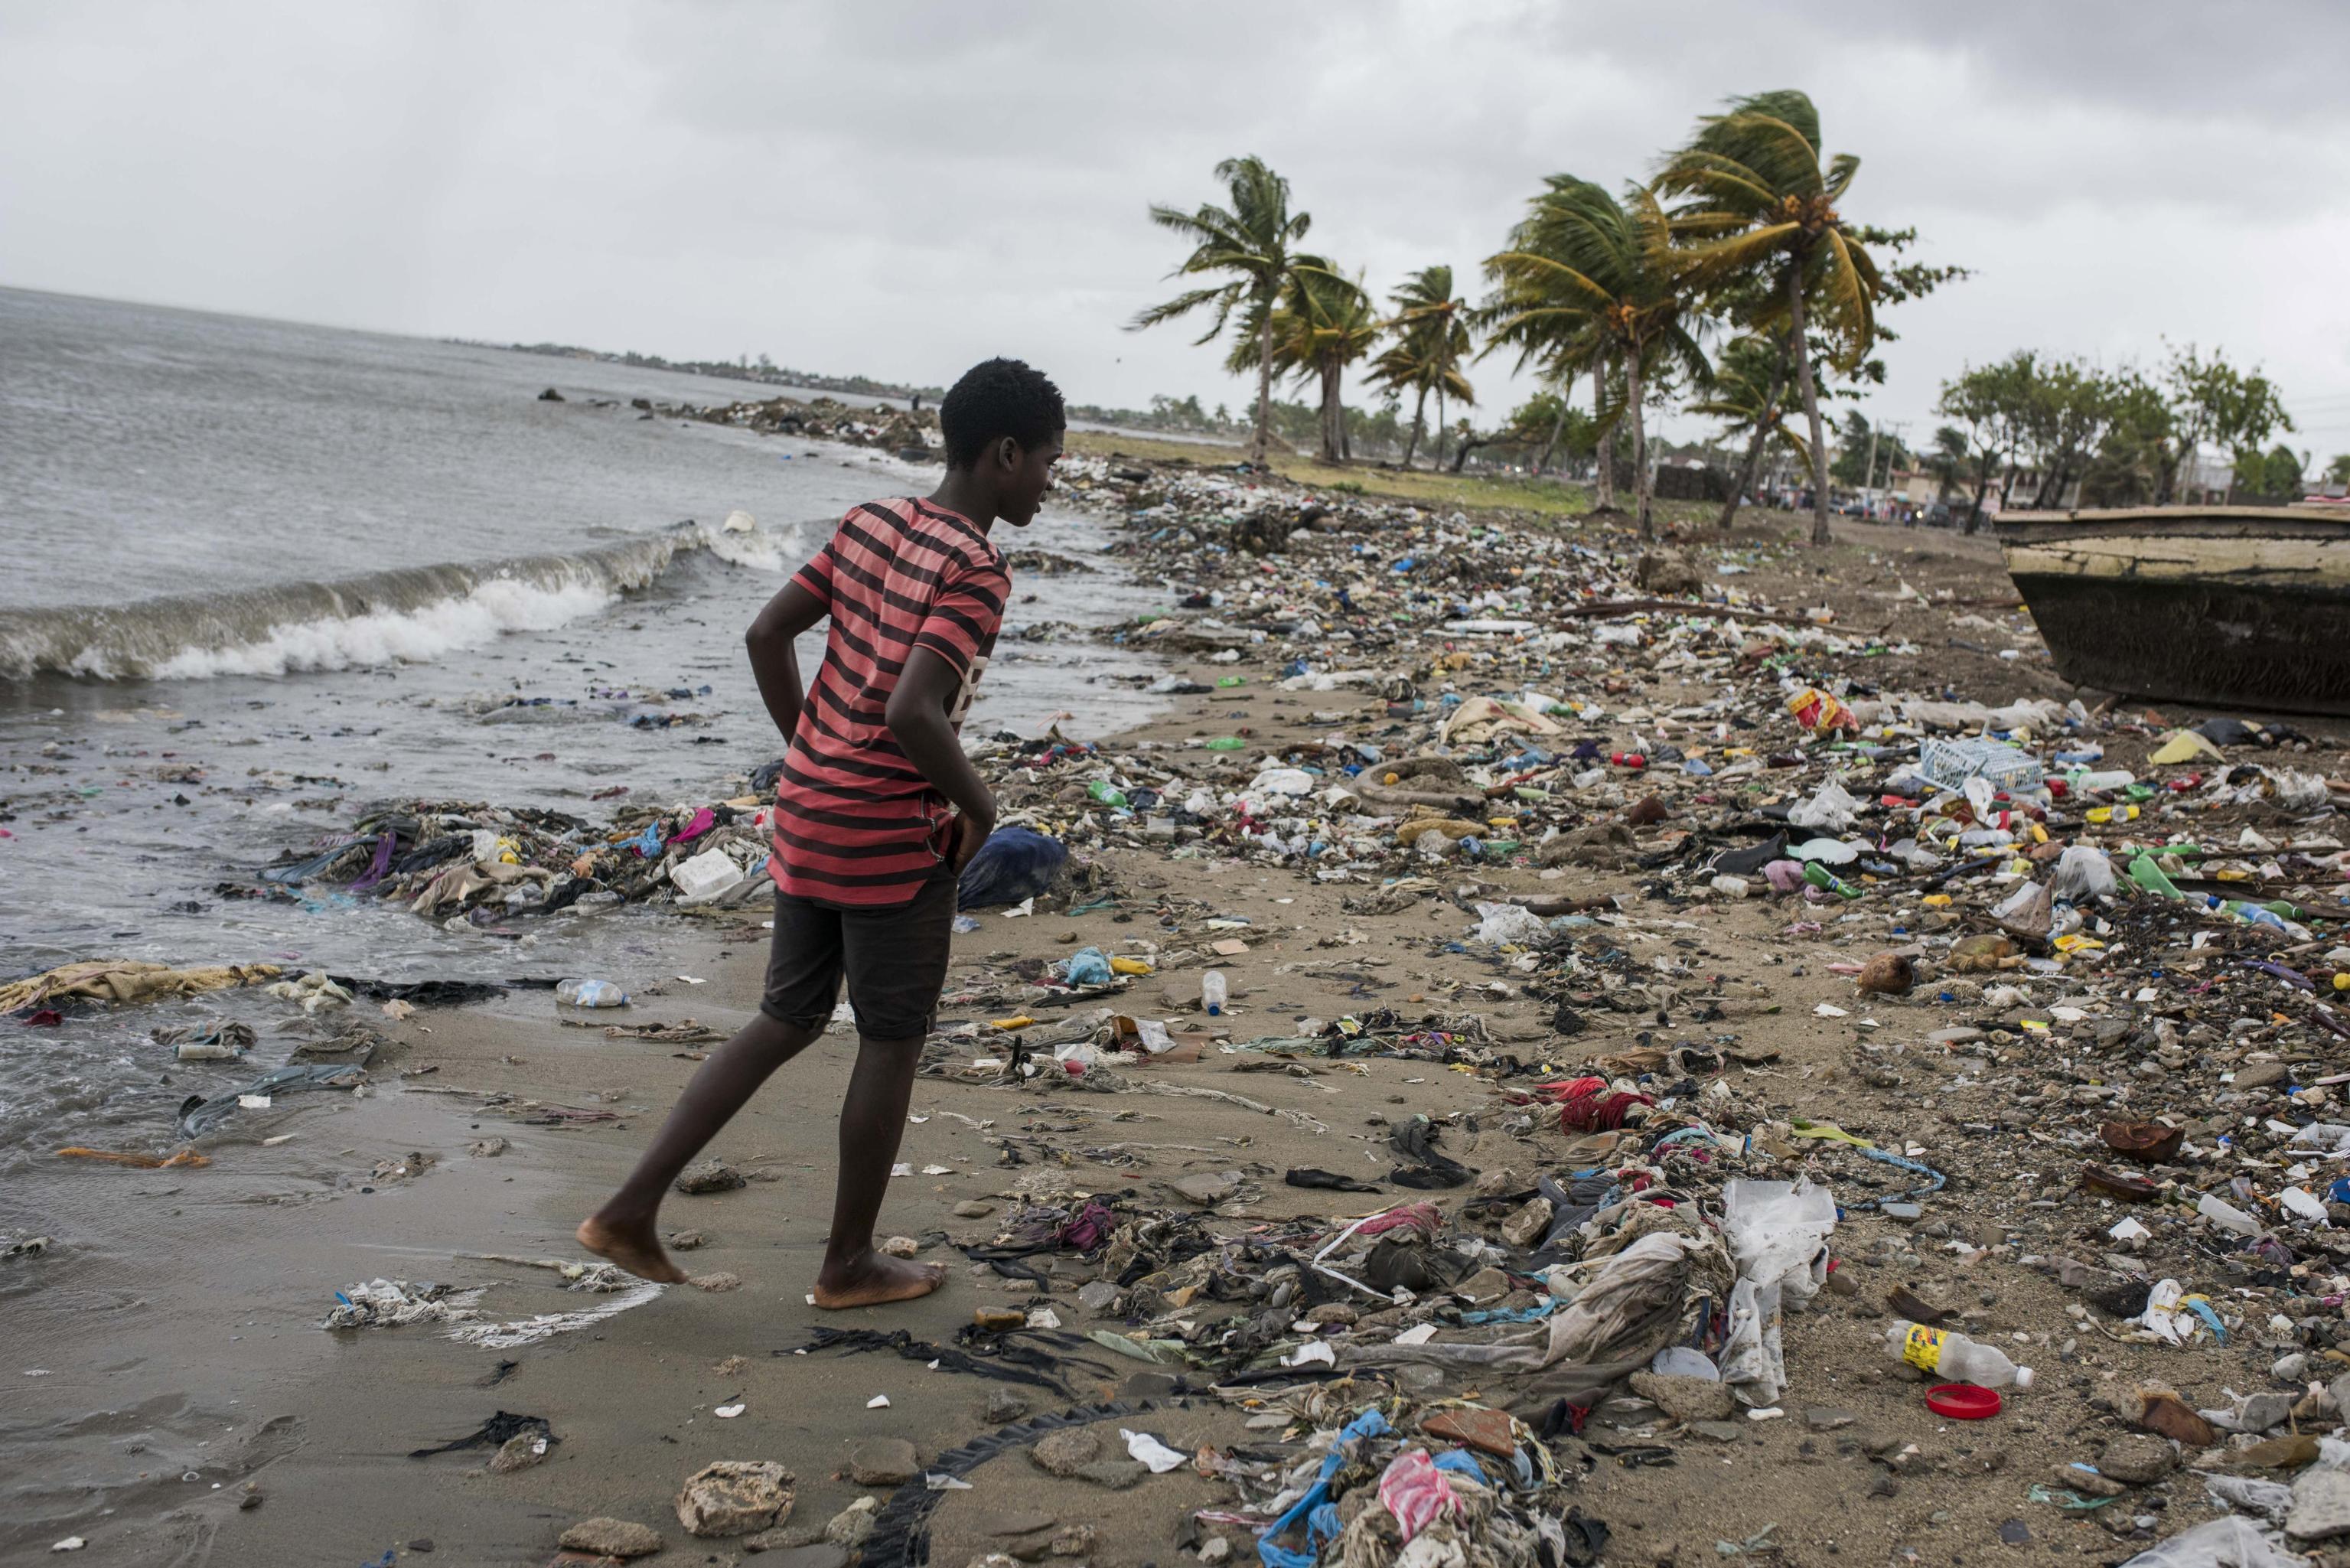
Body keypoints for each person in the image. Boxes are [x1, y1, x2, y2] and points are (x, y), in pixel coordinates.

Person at [578, 357, 1064, 1307]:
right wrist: (980, 809)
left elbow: (768, 635)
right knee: (890, 1038)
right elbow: (915, 714)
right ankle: (846, 1263)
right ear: (1004, 454)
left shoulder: (869, 521)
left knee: (785, 1017)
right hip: (889, 836)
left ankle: (629, 1209)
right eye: (1048, 461)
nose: (1051, 480)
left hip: (805, 813)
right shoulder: (975, 567)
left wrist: (809, 748)